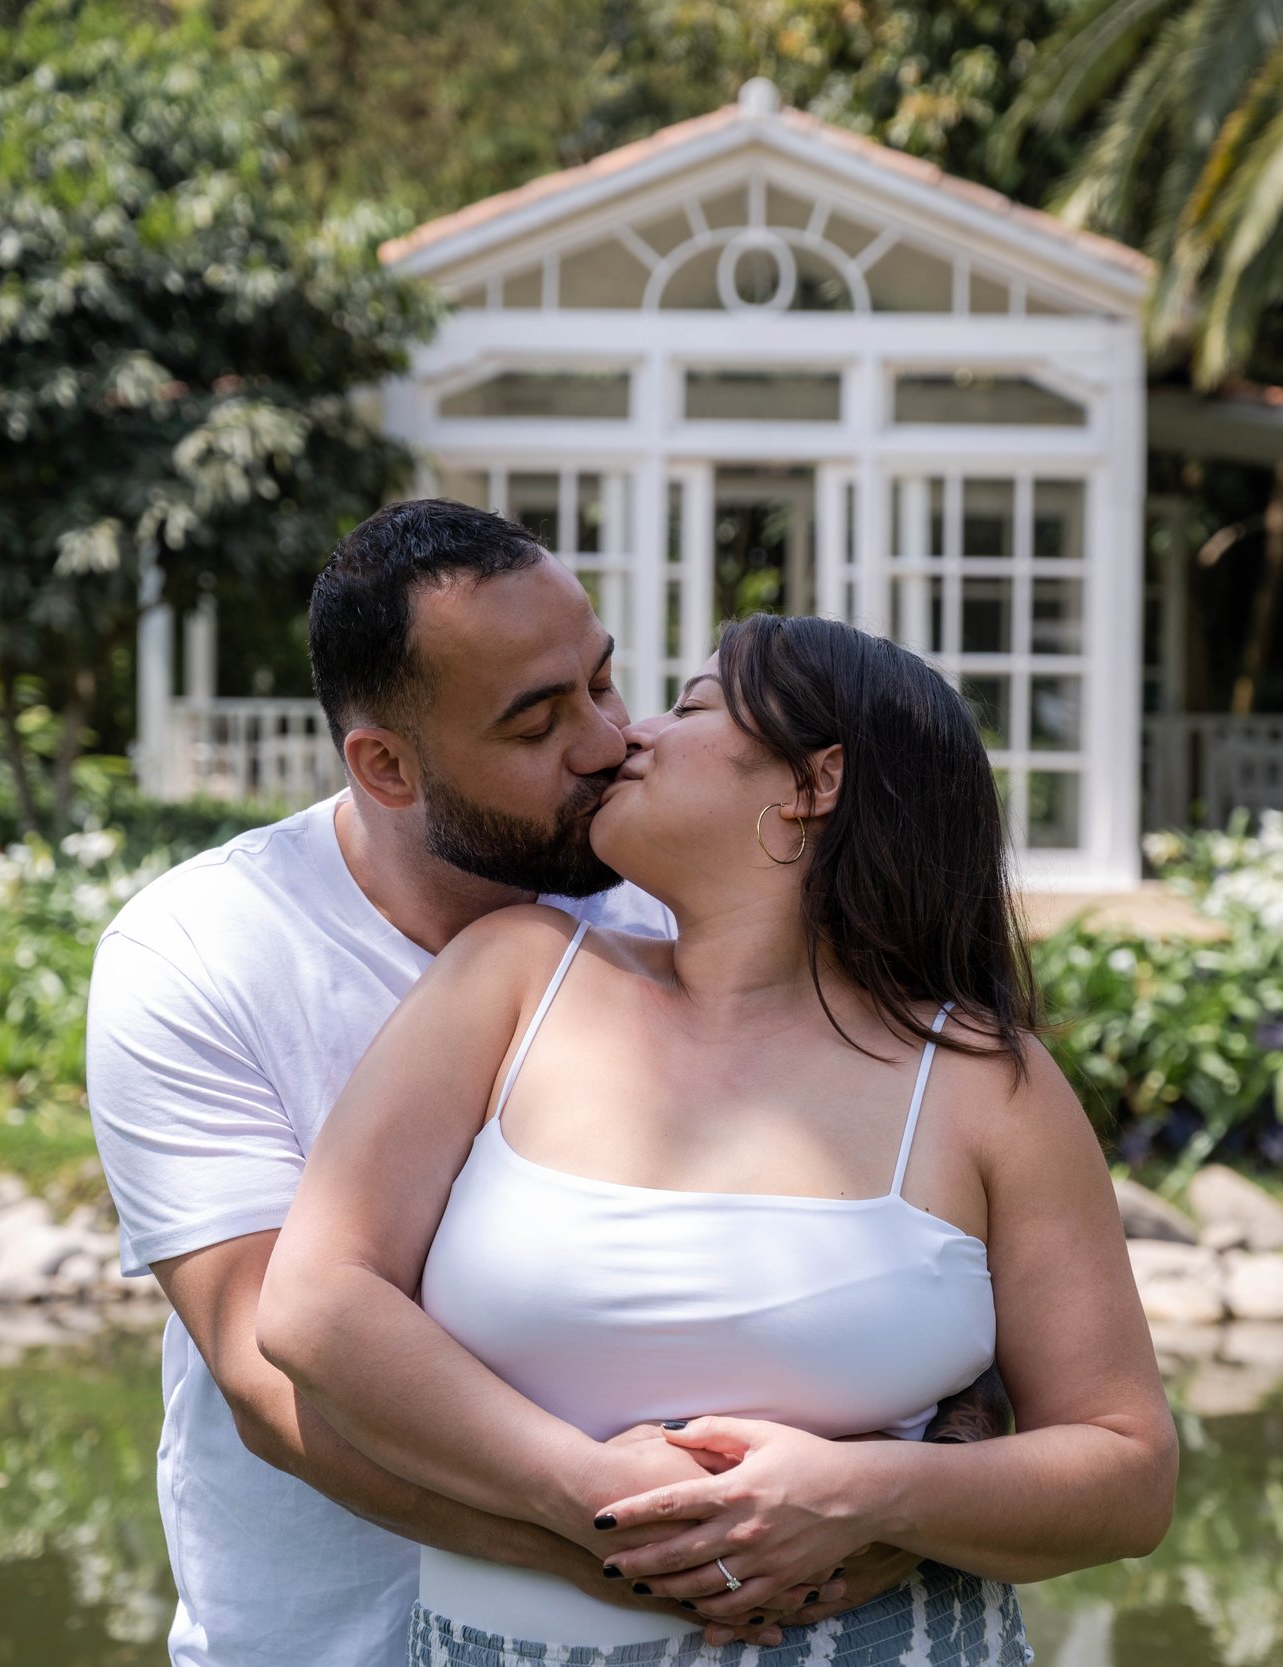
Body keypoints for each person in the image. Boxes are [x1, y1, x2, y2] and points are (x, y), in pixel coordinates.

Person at [85, 500, 1003, 1667]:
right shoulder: (203, 950)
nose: (607, 739)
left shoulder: (677, 882)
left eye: (606, 683)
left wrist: (894, 1504)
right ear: (387, 765)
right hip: (323, 1633)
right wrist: (630, 1547)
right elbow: (272, 1378)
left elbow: (948, 1260)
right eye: (536, 723)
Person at [256, 612, 1180, 1665]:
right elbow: (317, 1298)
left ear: (812, 781)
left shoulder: (980, 1078)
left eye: (692, 705)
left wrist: (861, 1491)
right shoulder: (516, 972)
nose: (627, 735)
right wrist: (592, 1489)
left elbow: (1127, 1471)